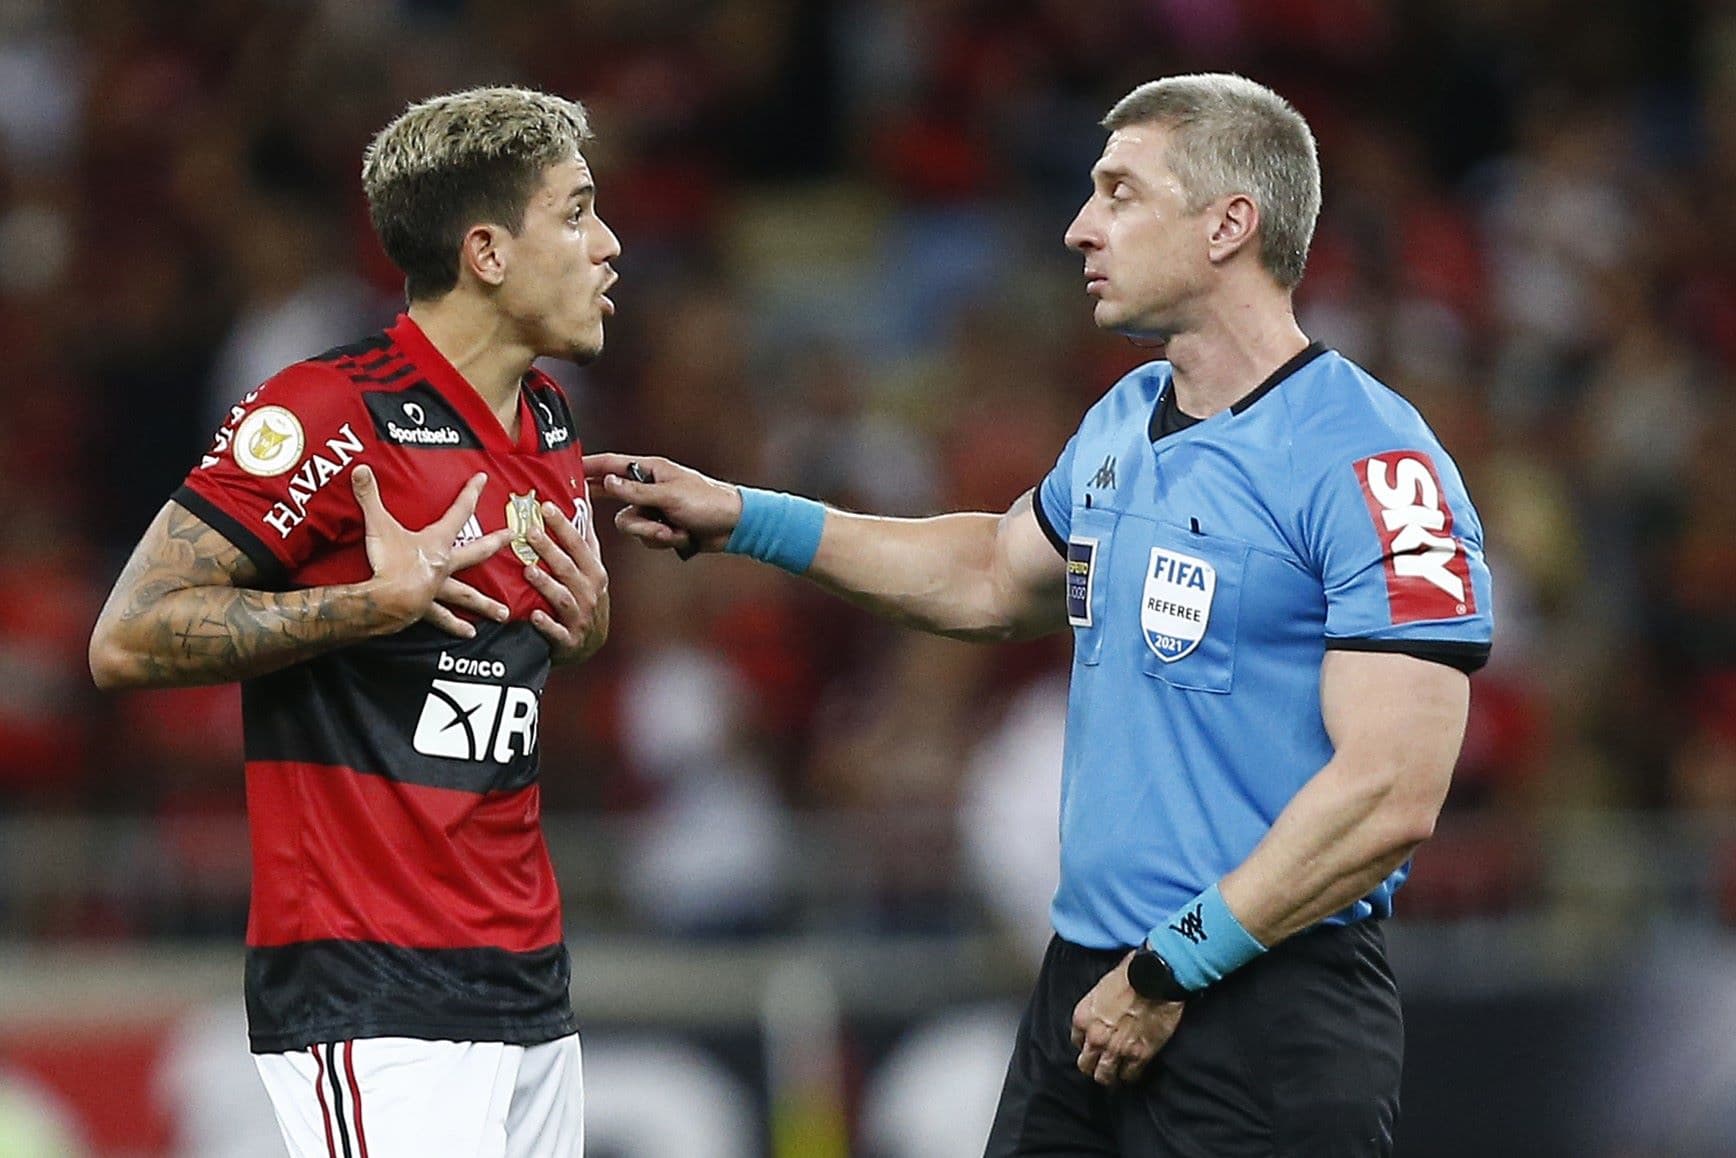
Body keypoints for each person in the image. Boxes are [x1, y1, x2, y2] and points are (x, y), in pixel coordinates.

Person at [588, 73, 1493, 1156]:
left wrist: (1173, 965)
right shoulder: (1122, 416)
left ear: (1227, 224)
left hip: (1257, 1004)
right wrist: (746, 517)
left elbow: (1389, 790)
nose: (1078, 227)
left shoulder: (1371, 463)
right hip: (1089, 988)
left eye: (1118, 192)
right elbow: (986, 572)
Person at [89, 86, 619, 1157]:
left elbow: (488, 669)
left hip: (525, 986)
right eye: (574, 213)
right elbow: (128, 634)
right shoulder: (328, 411)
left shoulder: (548, 420)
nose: (607, 245)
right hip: (373, 992)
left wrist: (587, 626)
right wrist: (366, 605)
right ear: (486, 251)